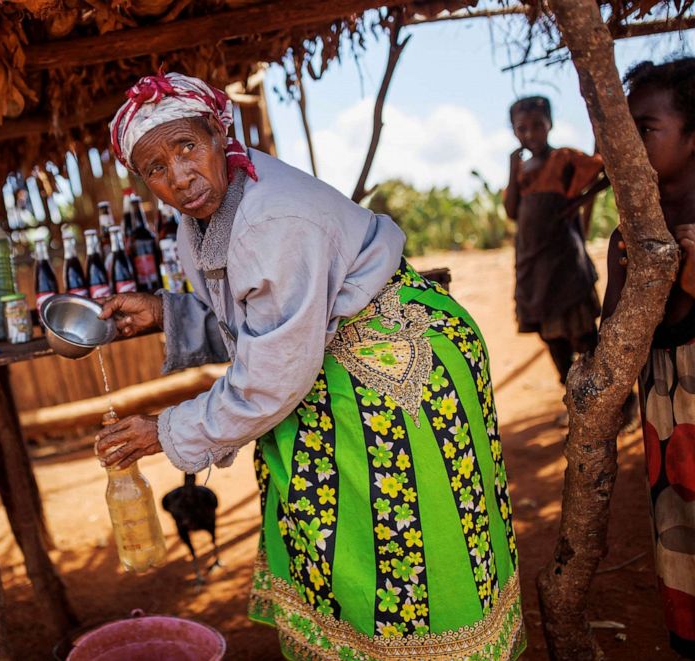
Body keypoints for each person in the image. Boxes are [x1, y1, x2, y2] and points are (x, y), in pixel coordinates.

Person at [95, 72, 525, 660]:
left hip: (395, 367)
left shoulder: (272, 218)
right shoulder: (210, 211)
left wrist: (166, 431)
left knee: (404, 542)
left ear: (219, 134)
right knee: (340, 538)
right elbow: (259, 315)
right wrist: (166, 313)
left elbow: (275, 369)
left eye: (186, 148)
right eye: (156, 168)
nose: (179, 176)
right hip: (328, 353)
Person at [603, 57, 695, 658]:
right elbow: (613, 335)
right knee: (681, 534)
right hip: (666, 414)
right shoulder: (632, 235)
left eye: (647, 127)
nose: (628, 142)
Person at [504, 96, 607, 392]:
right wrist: (512, 169)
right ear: (513, 131)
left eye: (537, 126)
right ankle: (573, 395)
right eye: (521, 128)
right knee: (551, 336)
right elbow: (512, 211)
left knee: (583, 334)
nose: (530, 134)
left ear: (550, 124)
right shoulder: (521, 171)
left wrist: (574, 204)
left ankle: (614, 403)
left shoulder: (564, 159)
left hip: (565, 265)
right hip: (532, 267)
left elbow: (602, 173)